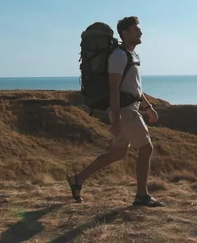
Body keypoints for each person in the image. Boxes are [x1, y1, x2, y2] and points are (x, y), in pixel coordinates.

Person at [67, 16, 164, 207]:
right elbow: (114, 88)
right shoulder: (119, 56)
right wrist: (117, 119)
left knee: (117, 153)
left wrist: (148, 107)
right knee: (146, 149)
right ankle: (141, 196)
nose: (140, 32)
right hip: (125, 111)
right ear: (124, 33)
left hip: (131, 108)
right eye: (136, 29)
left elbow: (135, 88)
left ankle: (77, 179)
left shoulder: (131, 56)